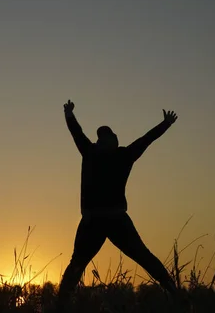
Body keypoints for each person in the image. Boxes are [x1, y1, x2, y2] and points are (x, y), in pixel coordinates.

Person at [57, 99, 180, 311]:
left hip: (97, 220)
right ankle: (177, 296)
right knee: (143, 257)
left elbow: (76, 132)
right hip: (110, 219)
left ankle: (60, 305)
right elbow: (145, 140)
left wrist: (69, 114)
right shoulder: (121, 154)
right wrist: (165, 124)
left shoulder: (92, 152)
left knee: (77, 265)